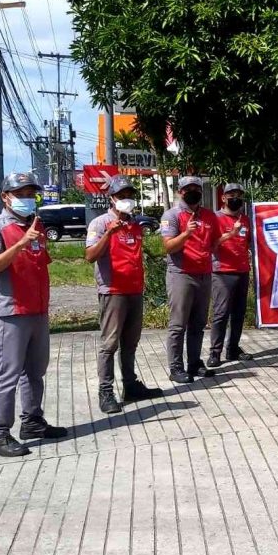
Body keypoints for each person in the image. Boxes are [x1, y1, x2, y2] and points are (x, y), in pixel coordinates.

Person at [0, 172, 67, 457]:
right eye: (21, 194)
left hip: (38, 310)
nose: (27, 199)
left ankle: (32, 422)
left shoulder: (37, 225)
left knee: (35, 371)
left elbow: (41, 261)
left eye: (31, 194)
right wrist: (19, 244)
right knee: (7, 375)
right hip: (12, 311)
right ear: (6, 197)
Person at [85, 175, 164, 413]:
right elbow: (90, 256)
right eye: (122, 196)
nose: (126, 200)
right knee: (109, 344)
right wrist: (109, 234)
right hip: (113, 291)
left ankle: (130, 385)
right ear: (111, 198)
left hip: (134, 290)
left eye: (130, 196)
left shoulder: (136, 225)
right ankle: (106, 391)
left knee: (131, 342)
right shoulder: (100, 224)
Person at [160, 176, 221, 384]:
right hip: (181, 274)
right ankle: (176, 367)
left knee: (198, 324)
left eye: (196, 188)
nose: (193, 191)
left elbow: (214, 243)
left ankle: (194, 363)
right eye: (188, 189)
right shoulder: (172, 215)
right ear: (180, 191)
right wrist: (186, 234)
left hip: (204, 274)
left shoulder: (209, 216)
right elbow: (168, 247)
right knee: (178, 325)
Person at [208, 183, 253, 367]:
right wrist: (230, 234)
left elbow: (249, 243)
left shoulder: (245, 219)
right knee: (221, 313)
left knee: (239, 313)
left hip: (242, 271)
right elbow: (211, 246)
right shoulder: (215, 218)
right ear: (223, 198)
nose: (236, 198)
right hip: (222, 272)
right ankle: (215, 352)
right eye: (231, 195)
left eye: (239, 195)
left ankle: (233, 349)